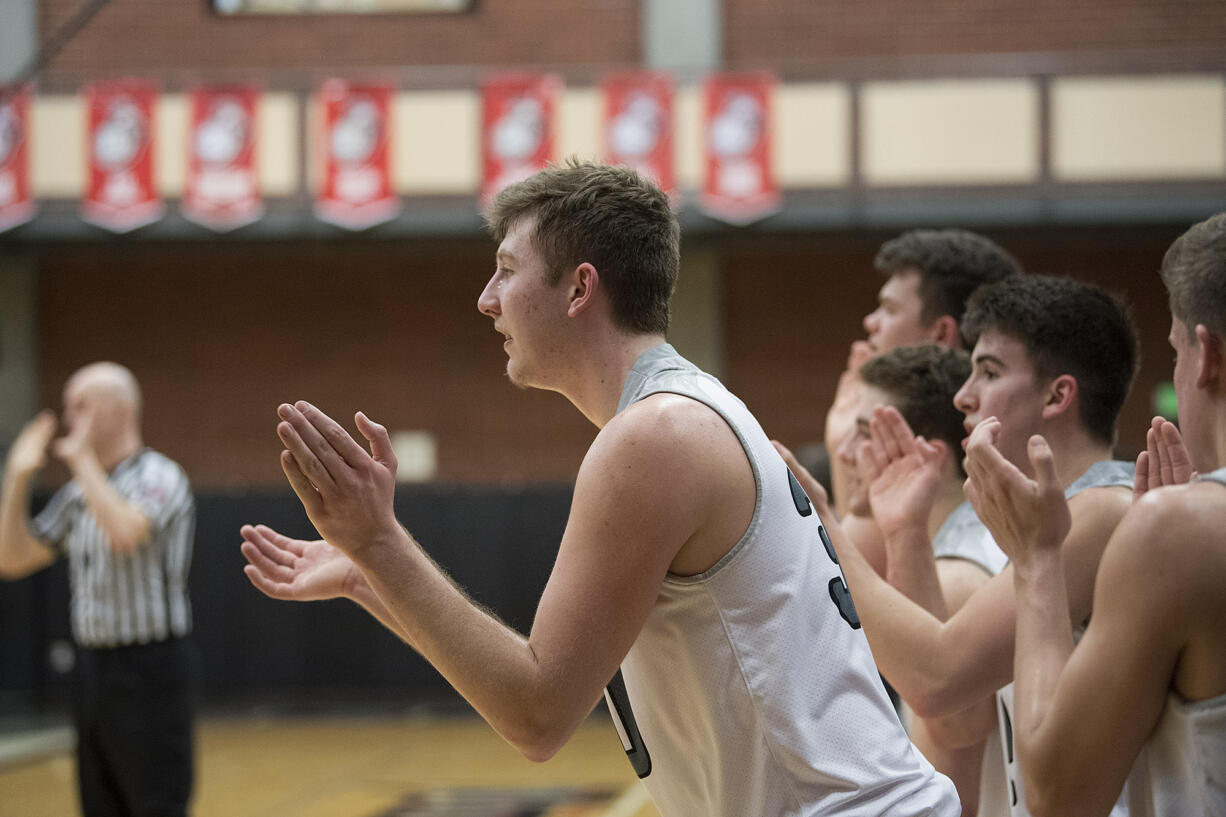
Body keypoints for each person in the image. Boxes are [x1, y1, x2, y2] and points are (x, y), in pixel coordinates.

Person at [240, 161, 960, 817]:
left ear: (581, 287)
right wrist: (372, 572)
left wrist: (377, 540)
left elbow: (537, 712)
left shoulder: (655, 438)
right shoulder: (680, 413)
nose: (486, 300)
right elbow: (543, 680)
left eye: (505, 270)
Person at [790, 274, 1139, 817]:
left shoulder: (1099, 511)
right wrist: (903, 531)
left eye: (990, 372)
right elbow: (957, 716)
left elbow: (938, 682)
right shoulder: (1042, 521)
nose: (964, 396)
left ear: (1057, 394)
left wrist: (821, 525)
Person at [963, 212, 1226, 816]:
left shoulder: (1172, 531)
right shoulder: (1179, 526)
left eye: (1175, 351)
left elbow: (1056, 796)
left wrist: (1037, 560)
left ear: (1205, 354)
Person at [783, 344, 1003, 816]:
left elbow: (951, 772)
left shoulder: (959, 579)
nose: (842, 453)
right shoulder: (959, 548)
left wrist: (822, 519)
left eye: (865, 434)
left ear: (929, 456)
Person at [0, 361, 196, 817]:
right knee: (100, 804)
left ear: (122, 410)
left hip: (150, 668)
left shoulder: (160, 476)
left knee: (155, 803)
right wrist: (17, 476)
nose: (70, 417)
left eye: (82, 405)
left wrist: (81, 458)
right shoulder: (77, 495)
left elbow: (126, 532)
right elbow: (13, 559)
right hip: (92, 671)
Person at [824, 229, 1023, 568]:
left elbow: (845, 590)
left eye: (889, 309)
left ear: (941, 334)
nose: (870, 322)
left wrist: (843, 435)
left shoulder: (931, 433)